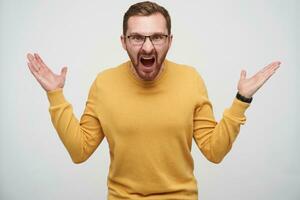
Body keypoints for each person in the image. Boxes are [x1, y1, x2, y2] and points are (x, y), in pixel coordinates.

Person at [26, 1, 281, 199]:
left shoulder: (190, 79)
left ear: (169, 41)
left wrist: (241, 98)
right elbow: (79, 151)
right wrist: (55, 95)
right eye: (137, 37)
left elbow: (214, 151)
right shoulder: (104, 83)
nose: (147, 47)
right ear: (124, 42)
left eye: (157, 37)